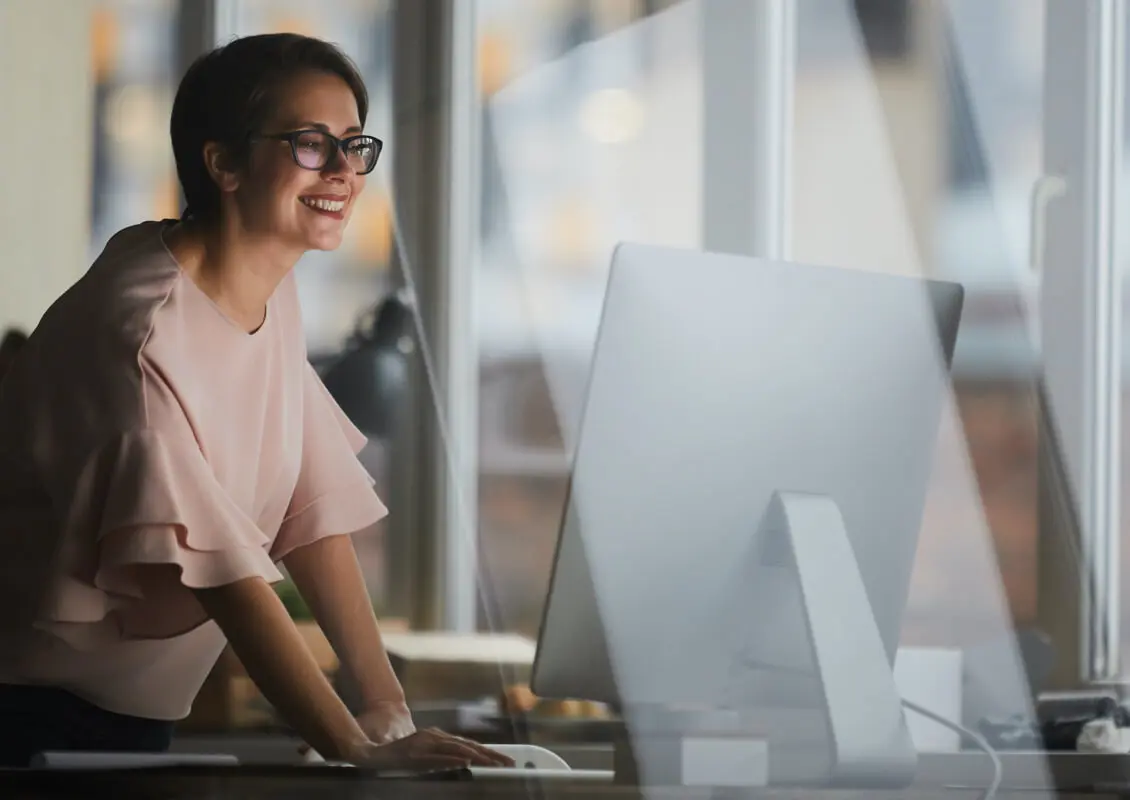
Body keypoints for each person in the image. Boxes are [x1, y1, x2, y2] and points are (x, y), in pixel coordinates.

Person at [0, 33, 512, 771]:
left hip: (125, 717)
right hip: (29, 721)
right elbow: (227, 577)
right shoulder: (141, 333)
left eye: (354, 144)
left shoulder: (259, 286)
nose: (343, 170)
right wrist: (350, 748)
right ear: (224, 163)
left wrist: (382, 705)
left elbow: (309, 509)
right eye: (310, 143)